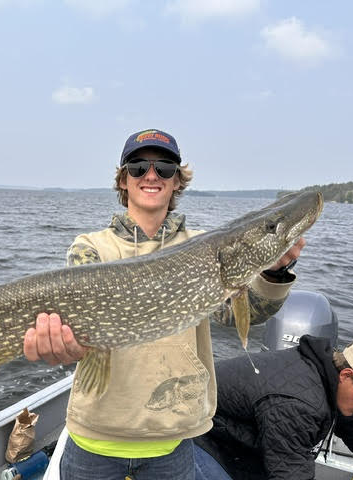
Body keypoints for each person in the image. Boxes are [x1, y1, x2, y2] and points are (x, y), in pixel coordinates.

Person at [23, 128, 306, 480]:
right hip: (93, 440)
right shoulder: (90, 248)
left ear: (177, 181)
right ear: (123, 180)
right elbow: (79, 336)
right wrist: (62, 348)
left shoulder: (204, 247)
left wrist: (274, 273)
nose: (152, 175)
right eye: (139, 167)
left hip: (171, 445)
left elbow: (237, 314)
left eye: (165, 167)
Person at [194, 336, 353, 480]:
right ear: (347, 375)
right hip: (200, 438)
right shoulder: (300, 405)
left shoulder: (330, 375)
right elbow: (290, 471)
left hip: (239, 440)